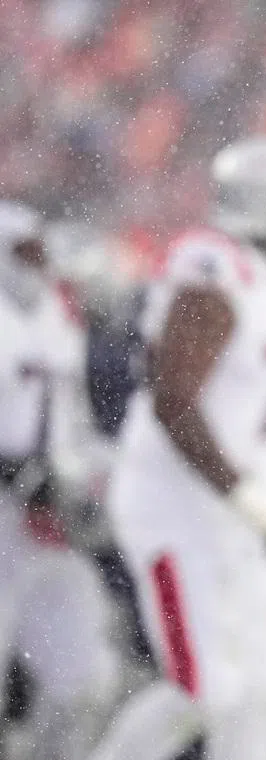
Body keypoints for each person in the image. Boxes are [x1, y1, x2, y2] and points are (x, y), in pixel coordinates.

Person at [92, 136, 266, 760]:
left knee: (256, 685)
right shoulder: (214, 264)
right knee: (203, 691)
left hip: (229, 507)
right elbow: (174, 398)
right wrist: (247, 497)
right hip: (178, 503)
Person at [0, 201, 122, 760]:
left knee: (85, 675)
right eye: (23, 251)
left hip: (48, 518)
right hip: (8, 505)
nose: (36, 262)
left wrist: (86, 475)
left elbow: (70, 420)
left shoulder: (54, 313)